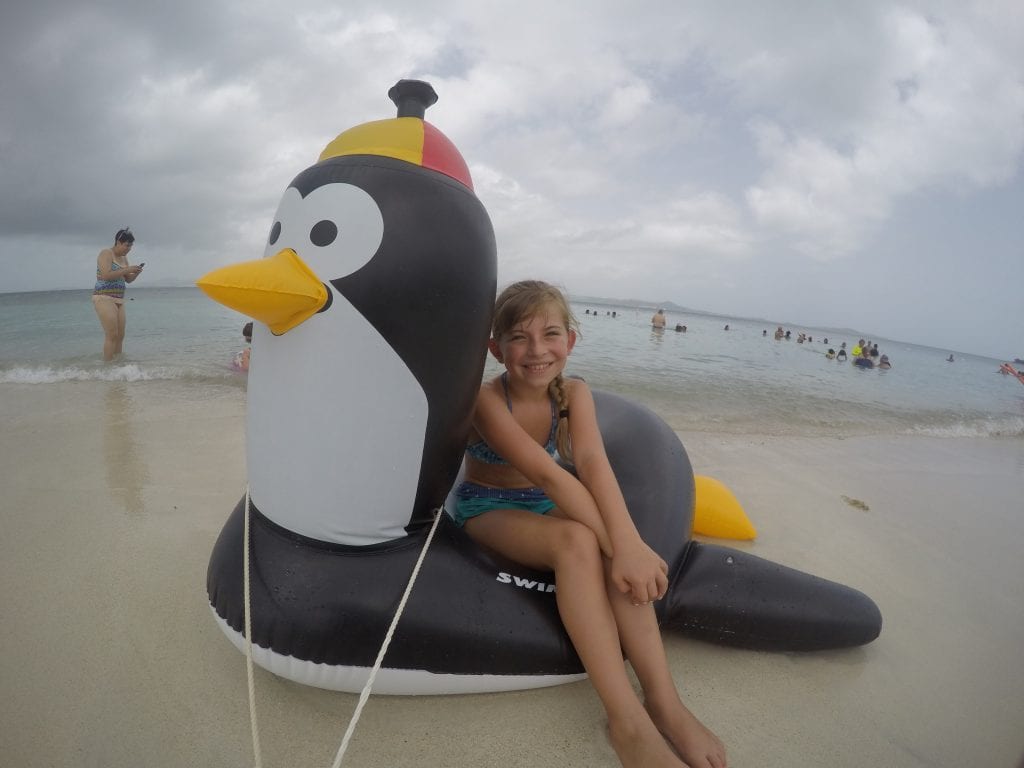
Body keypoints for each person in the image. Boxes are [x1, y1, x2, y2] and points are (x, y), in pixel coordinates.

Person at [453, 281, 727, 768]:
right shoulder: (488, 400)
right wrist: (617, 544)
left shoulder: (575, 393)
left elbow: (594, 464)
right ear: (496, 349)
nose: (536, 350)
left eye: (550, 333)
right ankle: (627, 723)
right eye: (518, 337)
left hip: (542, 498)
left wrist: (626, 544)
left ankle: (665, 703)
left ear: (571, 341)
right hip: (488, 507)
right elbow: (544, 472)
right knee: (580, 541)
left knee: (613, 545)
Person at [92, 227, 143, 361]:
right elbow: (106, 275)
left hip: (119, 299)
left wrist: (135, 273)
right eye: (127, 245)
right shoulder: (106, 253)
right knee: (112, 334)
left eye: (131, 246)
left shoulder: (124, 259)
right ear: (118, 242)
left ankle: (117, 366)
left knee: (120, 335)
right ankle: (108, 366)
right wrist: (127, 269)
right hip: (103, 297)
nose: (129, 249)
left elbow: (128, 280)